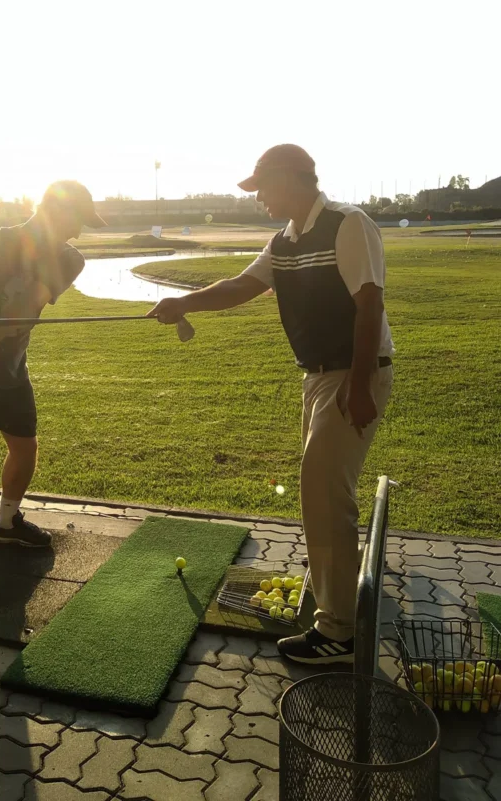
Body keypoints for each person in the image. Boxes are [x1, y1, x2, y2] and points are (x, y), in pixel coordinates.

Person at [149, 145, 394, 664]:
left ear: (289, 178)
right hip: (317, 376)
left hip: (352, 372)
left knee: (322, 490)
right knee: (324, 490)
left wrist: (360, 384)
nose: (258, 197)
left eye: (261, 186)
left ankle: (339, 632)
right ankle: (338, 581)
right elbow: (242, 285)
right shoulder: (285, 240)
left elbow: (369, 302)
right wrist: (184, 302)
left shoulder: (347, 224)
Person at [0, 181, 106, 590]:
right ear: (56, 212)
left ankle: (7, 522)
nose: (79, 232)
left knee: (25, 445)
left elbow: (25, 308)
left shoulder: (68, 258)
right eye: (78, 221)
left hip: (8, 363)